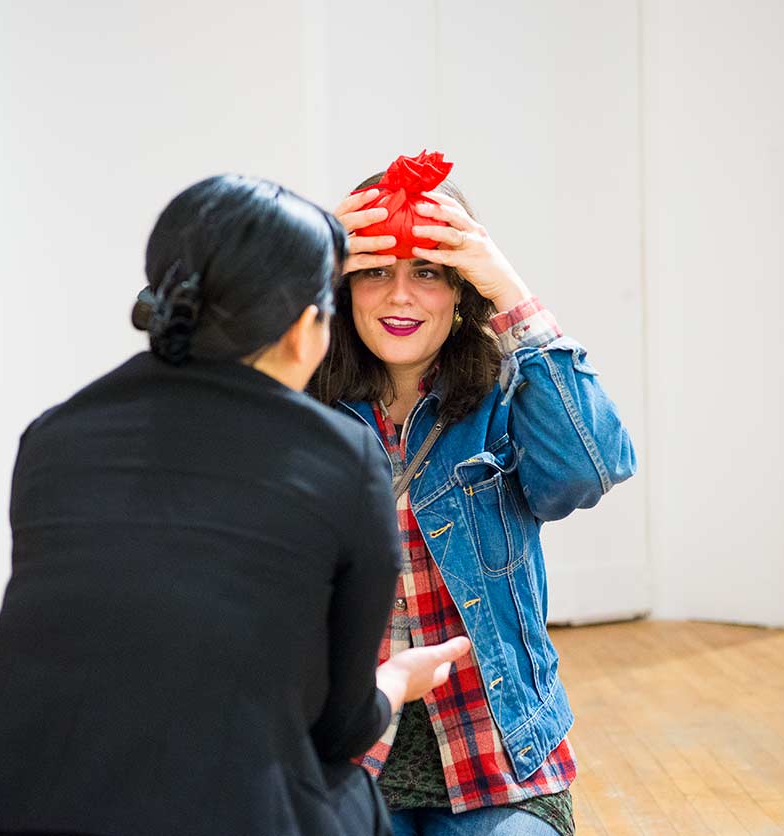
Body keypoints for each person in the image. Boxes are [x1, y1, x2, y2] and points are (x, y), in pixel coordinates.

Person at [0, 174, 469, 836]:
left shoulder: (54, 435)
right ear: (308, 329)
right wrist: (396, 680)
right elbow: (339, 729)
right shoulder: (343, 458)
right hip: (214, 813)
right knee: (349, 794)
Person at [311, 156, 637, 836]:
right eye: (375, 272)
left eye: (427, 273)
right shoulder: (299, 405)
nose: (400, 296)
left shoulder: (506, 397)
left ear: (461, 291)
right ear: (343, 288)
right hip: (344, 764)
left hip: (498, 761)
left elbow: (592, 469)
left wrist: (511, 290)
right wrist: (301, 257)